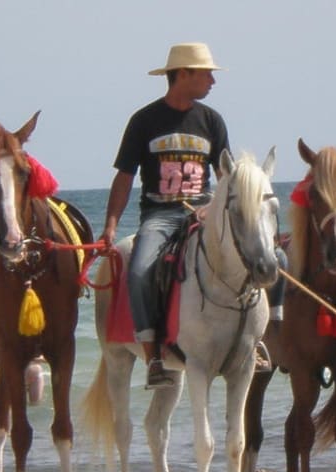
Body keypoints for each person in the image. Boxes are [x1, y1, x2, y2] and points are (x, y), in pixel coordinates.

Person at [98, 42, 230, 389]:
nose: (212, 82)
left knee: (254, 256)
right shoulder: (144, 121)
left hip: (205, 212)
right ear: (183, 74)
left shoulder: (212, 121)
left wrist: (216, 209)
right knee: (140, 270)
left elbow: (226, 177)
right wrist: (110, 227)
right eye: (206, 74)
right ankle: (153, 354)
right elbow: (124, 177)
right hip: (161, 216)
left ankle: (256, 341)